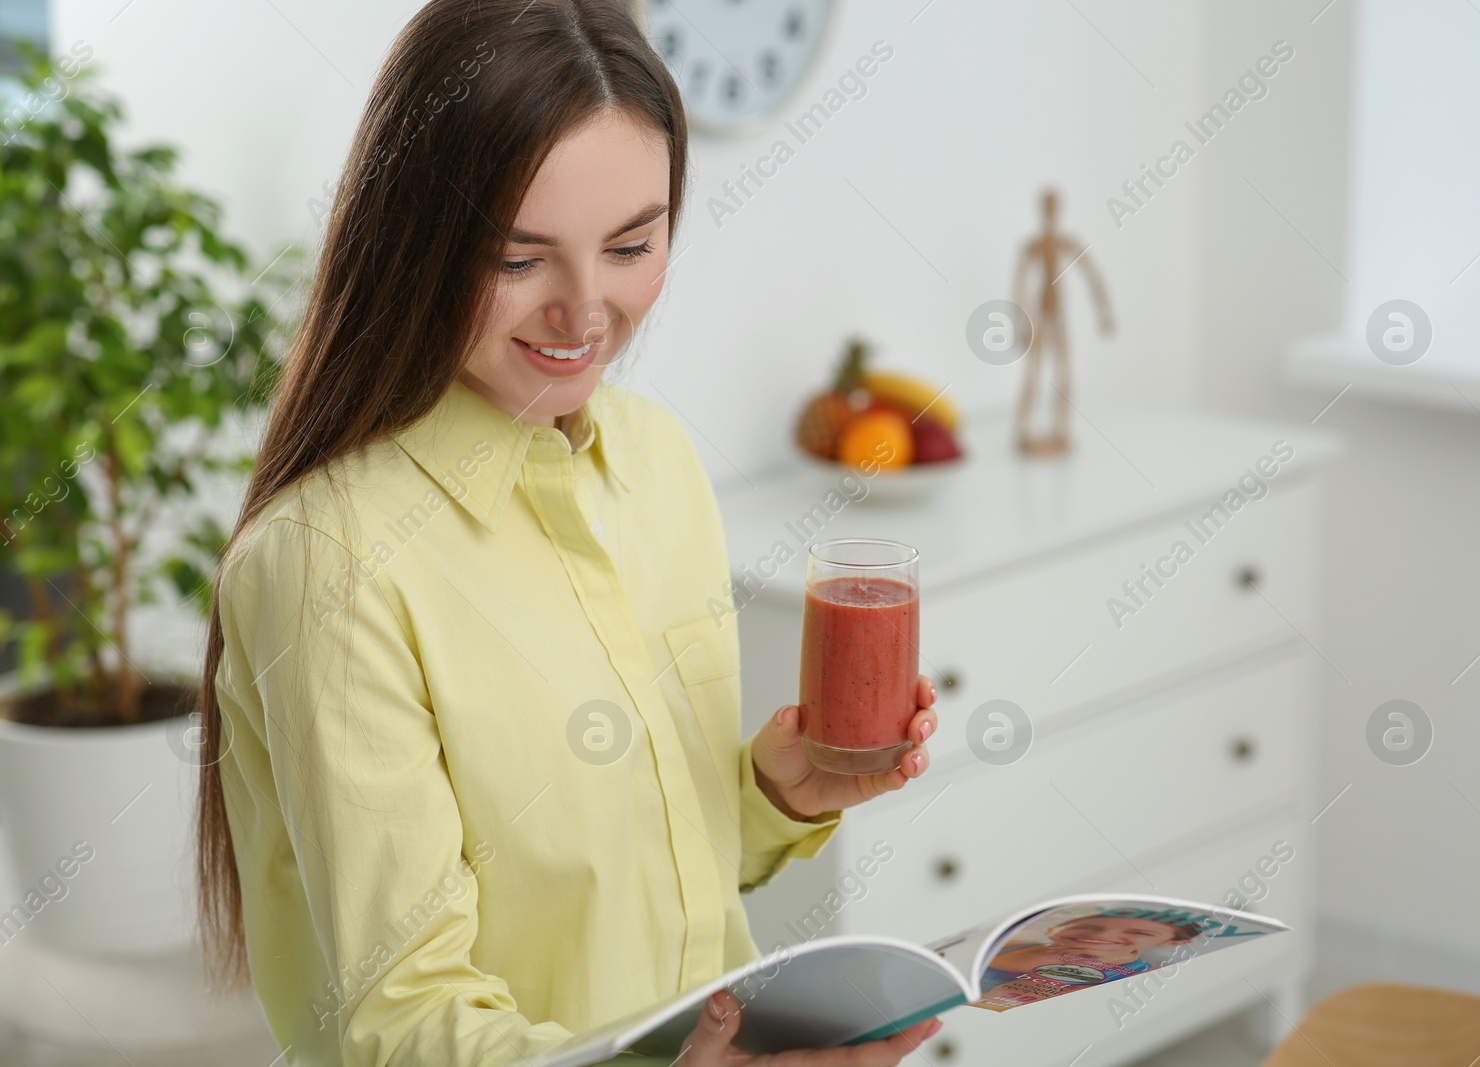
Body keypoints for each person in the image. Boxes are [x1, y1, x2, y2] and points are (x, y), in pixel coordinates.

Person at [191, 2, 940, 1064]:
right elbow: (401, 1019)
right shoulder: (329, 562)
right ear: (415, 240)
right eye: (517, 259)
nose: (586, 310)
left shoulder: (655, 458)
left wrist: (773, 794)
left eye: (632, 242)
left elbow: (628, 886)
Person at [971, 914, 1199, 1011]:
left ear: (1170, 941)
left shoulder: (1131, 981)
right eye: (1088, 926)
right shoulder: (1013, 941)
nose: (1102, 936)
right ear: (1054, 929)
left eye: (1141, 932)